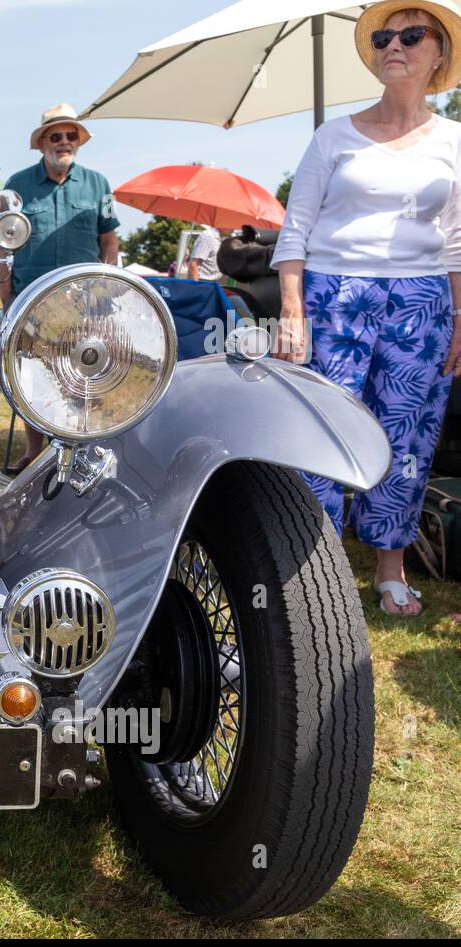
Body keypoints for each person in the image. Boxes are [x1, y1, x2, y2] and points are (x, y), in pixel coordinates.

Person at [272, 1, 461, 616]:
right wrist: (293, 310)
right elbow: (294, 231)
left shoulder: (455, 141)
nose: (393, 46)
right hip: (335, 295)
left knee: (407, 434)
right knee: (323, 427)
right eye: (383, 38)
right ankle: (315, 569)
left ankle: (389, 568)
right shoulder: (333, 136)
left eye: (411, 35)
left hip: (422, 298)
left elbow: (458, 239)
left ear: (439, 54)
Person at [0, 102, 121, 458]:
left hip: (88, 303)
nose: (64, 142)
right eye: (56, 136)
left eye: (71, 136)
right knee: (34, 379)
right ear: (42, 144)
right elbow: (5, 242)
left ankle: (80, 449)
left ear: (78, 142)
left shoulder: (99, 184)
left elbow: (109, 240)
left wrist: (108, 284)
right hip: (32, 300)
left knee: (85, 375)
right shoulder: (16, 186)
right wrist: (6, 295)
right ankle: (35, 456)